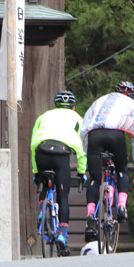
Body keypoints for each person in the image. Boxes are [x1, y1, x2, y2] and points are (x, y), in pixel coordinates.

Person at [81, 80, 134, 241]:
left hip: (94, 135)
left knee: (95, 179)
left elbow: (84, 126)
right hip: (116, 135)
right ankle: (122, 206)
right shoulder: (132, 104)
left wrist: (85, 153)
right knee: (122, 171)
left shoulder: (99, 100)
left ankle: (90, 215)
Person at [30, 90, 87, 256]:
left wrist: (36, 172)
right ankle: (62, 234)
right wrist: (82, 172)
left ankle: (42, 211)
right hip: (61, 154)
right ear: (74, 107)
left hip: (41, 151)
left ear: (55, 106)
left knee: (44, 183)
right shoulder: (78, 119)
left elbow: (33, 144)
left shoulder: (43, 116)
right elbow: (82, 150)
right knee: (63, 197)